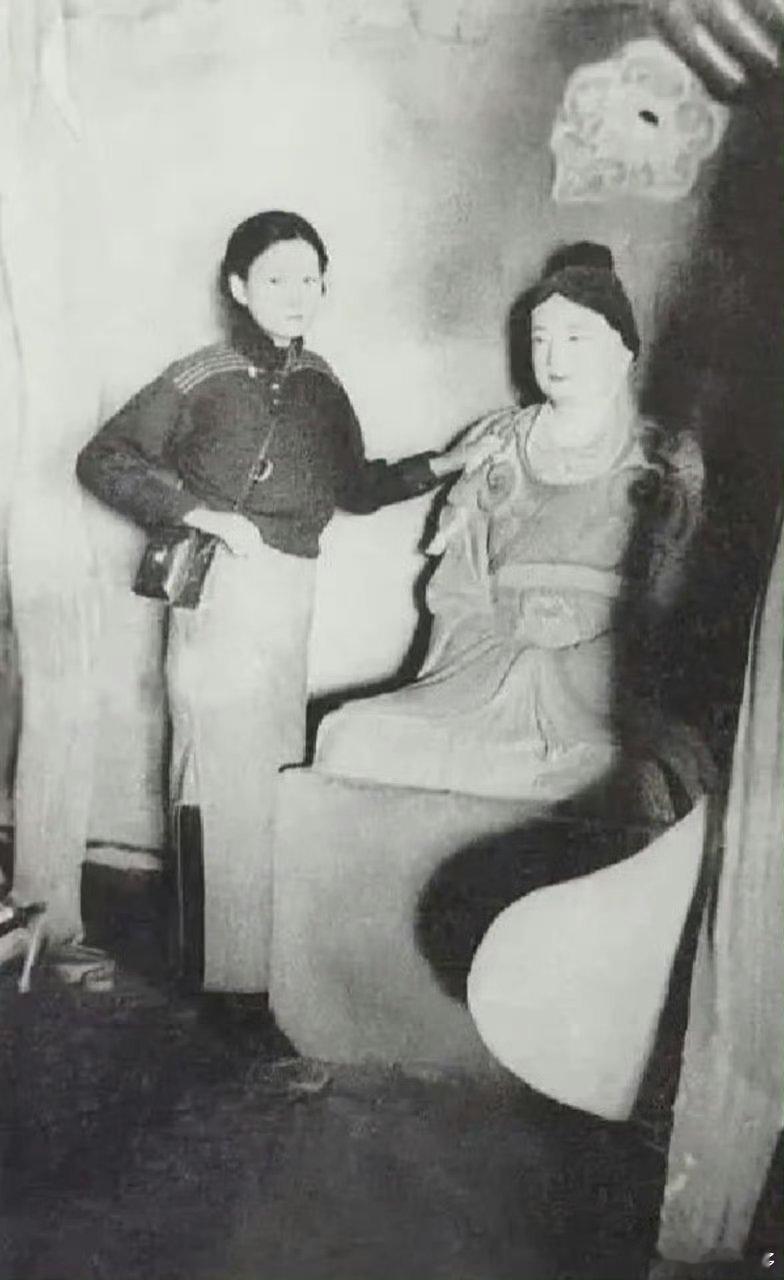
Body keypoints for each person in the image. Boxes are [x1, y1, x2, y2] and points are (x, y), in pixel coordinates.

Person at [76, 209, 468, 995]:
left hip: (291, 596)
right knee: (213, 777)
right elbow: (103, 458)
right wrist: (202, 515)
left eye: (310, 280)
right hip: (218, 592)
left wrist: (446, 463)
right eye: (277, 278)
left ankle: (253, 971)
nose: (296, 295)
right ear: (238, 286)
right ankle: (212, 974)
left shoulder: (322, 382)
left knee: (271, 773)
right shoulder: (202, 375)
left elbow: (357, 487)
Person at [315, 242, 711, 818]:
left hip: (600, 688)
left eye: (576, 337)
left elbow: (673, 603)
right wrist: (506, 660)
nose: (554, 355)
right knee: (349, 736)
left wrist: (563, 669)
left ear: (623, 351)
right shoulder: (494, 441)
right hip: (480, 673)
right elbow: (456, 589)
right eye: (540, 338)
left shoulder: (663, 456)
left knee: (612, 773)